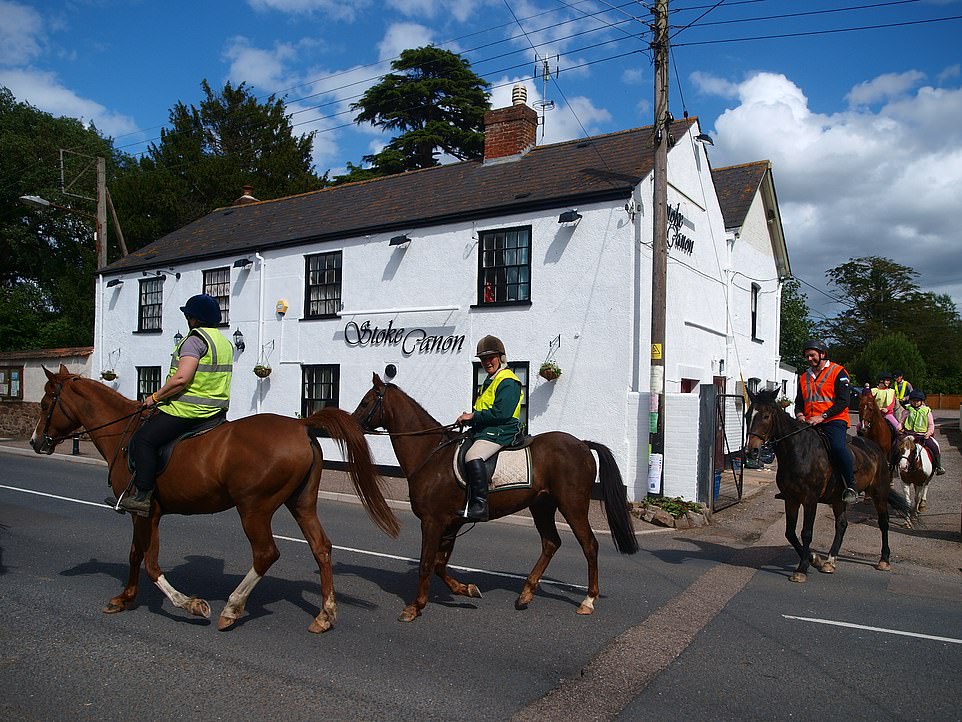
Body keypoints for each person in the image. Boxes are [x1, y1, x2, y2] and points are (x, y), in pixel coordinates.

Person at [120, 294, 233, 516]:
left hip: (187, 411)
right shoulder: (224, 342)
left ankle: (142, 496)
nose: (187, 319)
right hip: (215, 413)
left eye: (188, 315)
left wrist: (154, 397)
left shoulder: (194, 340)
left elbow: (181, 379)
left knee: (143, 439)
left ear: (194, 318)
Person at [454, 335, 524, 522]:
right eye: (483, 359)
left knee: (472, 456)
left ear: (500, 357)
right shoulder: (491, 380)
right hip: (487, 428)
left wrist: (473, 416)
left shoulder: (508, 381)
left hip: (502, 430)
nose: (486, 362)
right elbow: (486, 409)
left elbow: (502, 413)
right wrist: (469, 419)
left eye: (490, 357)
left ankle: (480, 505)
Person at [794, 338, 858, 504]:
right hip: (809, 422)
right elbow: (799, 402)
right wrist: (800, 414)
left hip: (834, 420)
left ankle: (850, 485)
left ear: (822, 354)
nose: (809, 359)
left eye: (812, 355)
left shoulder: (839, 372)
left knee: (837, 447)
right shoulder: (804, 377)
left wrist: (822, 417)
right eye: (807, 356)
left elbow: (844, 402)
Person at [899, 390, 945, 475]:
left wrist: (928, 433)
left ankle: (938, 466)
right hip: (908, 434)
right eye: (913, 401)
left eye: (917, 401)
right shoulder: (906, 411)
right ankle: (892, 465)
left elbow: (931, 425)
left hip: (921, 435)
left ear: (922, 401)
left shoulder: (927, 412)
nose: (915, 403)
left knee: (934, 446)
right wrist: (899, 428)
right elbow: (901, 422)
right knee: (895, 445)